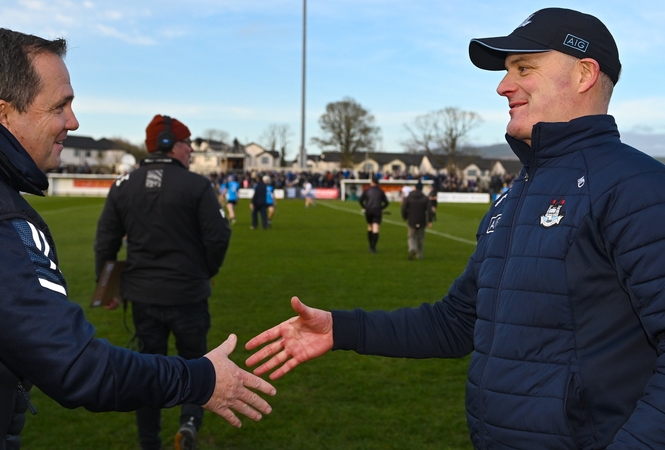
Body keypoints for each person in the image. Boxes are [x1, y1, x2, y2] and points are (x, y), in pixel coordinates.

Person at [245, 8, 665, 448]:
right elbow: (457, 322)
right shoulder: (516, 193)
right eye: (506, 71)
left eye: (524, 68)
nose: (503, 86)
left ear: (583, 74)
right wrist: (341, 329)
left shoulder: (636, 188)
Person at [0, 28, 275, 450]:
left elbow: (106, 240)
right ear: (3, 114)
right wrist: (201, 378)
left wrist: (108, 284)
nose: (74, 122)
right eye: (60, 105)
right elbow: (78, 366)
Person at [94, 114, 234, 450]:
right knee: (197, 363)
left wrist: (107, 289)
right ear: (172, 145)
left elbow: (106, 242)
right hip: (188, 295)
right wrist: (206, 272)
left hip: (143, 298)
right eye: (188, 145)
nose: (190, 152)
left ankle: (149, 442)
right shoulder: (197, 185)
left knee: (149, 371)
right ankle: (188, 424)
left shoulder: (123, 185)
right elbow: (218, 237)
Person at [401, 180, 431, 260]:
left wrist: (405, 216)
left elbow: (404, 208)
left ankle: (412, 248)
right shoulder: (425, 198)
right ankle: (419, 254)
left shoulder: (409, 197)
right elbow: (429, 210)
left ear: (415, 188)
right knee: (420, 238)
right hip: (422, 219)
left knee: (411, 236)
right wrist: (430, 220)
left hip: (412, 219)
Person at [358, 178, 389, 253]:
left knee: (369, 227)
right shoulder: (380, 191)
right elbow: (386, 203)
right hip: (377, 211)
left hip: (369, 210)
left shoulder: (367, 190)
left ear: (372, 182)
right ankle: (373, 247)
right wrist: (381, 208)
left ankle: (370, 245)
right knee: (376, 228)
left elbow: (361, 200)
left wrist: (365, 207)